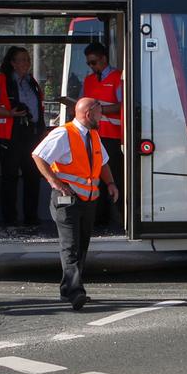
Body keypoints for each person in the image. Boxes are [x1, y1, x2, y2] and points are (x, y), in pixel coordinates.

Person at [32, 97, 119, 310]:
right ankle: (75, 291)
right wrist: (55, 181)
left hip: (88, 199)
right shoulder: (64, 133)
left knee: (81, 245)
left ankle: (67, 288)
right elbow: (38, 156)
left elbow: (104, 162)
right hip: (66, 201)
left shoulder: (94, 135)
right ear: (88, 114)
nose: (102, 116)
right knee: (70, 245)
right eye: (99, 113)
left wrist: (111, 183)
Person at [0, 46, 44, 227]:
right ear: (12, 63)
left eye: (27, 59)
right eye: (22, 60)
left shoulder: (31, 81)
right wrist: (10, 113)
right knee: (9, 177)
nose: (26, 63)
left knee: (33, 176)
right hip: (9, 135)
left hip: (31, 133)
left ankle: (31, 218)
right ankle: (9, 219)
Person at [81, 42, 123, 232]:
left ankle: (121, 218)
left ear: (104, 59)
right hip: (92, 136)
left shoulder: (118, 78)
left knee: (114, 176)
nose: (92, 66)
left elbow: (124, 104)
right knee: (94, 177)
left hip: (112, 137)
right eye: (89, 63)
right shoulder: (88, 80)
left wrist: (99, 110)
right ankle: (99, 219)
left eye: (94, 62)